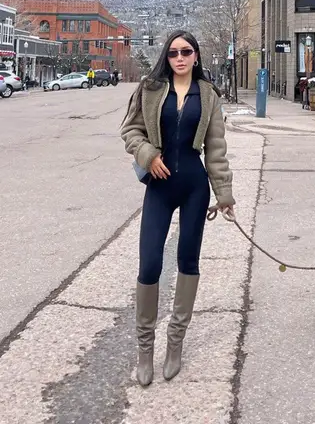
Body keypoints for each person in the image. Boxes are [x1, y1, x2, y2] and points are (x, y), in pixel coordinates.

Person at [120, 30, 235, 387]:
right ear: (166, 58)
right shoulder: (149, 89)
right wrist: (148, 155)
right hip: (159, 186)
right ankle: (144, 351)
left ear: (196, 56)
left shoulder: (209, 96)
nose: (180, 58)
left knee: (188, 260)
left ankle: (175, 345)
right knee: (150, 263)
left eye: (186, 51)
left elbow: (216, 148)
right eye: (173, 53)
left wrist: (225, 194)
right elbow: (130, 132)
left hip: (194, 187)